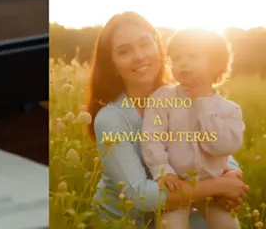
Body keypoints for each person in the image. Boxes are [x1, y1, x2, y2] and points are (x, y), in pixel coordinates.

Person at [87, 12, 248, 226]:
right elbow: (138, 195)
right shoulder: (111, 119)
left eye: (145, 44)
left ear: (158, 47)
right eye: (124, 51)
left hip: (179, 206)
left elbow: (206, 142)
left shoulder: (184, 94)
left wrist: (231, 172)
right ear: (113, 64)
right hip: (126, 221)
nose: (139, 56)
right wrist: (219, 186)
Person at [140, 28, 244, 229]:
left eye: (193, 56)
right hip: (176, 186)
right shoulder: (163, 98)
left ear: (216, 65)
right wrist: (163, 171)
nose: (183, 63)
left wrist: (202, 103)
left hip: (213, 191)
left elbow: (222, 147)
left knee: (228, 225)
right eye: (177, 58)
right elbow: (152, 138)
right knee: (171, 225)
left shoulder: (229, 110)